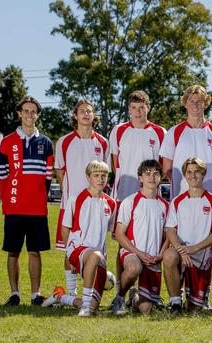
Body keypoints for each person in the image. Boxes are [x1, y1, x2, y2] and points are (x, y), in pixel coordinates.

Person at [108, 90, 166, 301]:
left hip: (150, 193)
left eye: (141, 108)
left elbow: (162, 164)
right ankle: (120, 294)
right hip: (125, 192)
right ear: (129, 110)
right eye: (133, 108)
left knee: (151, 240)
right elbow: (116, 161)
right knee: (121, 240)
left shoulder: (160, 132)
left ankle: (146, 292)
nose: (138, 112)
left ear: (148, 108)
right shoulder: (119, 130)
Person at [0, 96, 54, 306]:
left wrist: (39, 196)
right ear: (19, 114)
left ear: (37, 115)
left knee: (34, 251)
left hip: (37, 208)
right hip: (14, 207)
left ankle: (35, 294)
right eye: (26, 111)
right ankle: (14, 294)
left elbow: (48, 177)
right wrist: (8, 202)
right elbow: (3, 176)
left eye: (33, 111)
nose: (29, 114)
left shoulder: (46, 142)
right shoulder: (7, 142)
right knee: (13, 251)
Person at [41, 161, 116, 316]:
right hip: (78, 248)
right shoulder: (76, 198)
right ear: (88, 177)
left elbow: (108, 231)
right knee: (94, 256)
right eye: (96, 176)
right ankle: (86, 306)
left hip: (98, 256)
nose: (101, 179)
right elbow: (65, 228)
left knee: (96, 307)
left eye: (104, 176)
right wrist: (70, 255)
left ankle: (60, 297)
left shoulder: (111, 203)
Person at [54, 100, 109, 297]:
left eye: (89, 111)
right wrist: (70, 196)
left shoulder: (102, 143)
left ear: (94, 116)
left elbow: (105, 173)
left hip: (95, 206)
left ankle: (92, 291)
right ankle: (71, 292)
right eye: (82, 111)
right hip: (72, 206)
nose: (86, 114)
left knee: (95, 250)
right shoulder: (64, 141)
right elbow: (60, 171)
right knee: (69, 250)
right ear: (75, 116)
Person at [163, 158, 212, 314]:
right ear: (184, 175)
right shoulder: (177, 201)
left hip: (201, 253)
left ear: (203, 173)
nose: (193, 175)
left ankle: (201, 297)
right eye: (189, 172)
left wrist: (193, 248)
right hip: (181, 251)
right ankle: (175, 303)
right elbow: (170, 229)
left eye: (197, 171)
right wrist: (182, 250)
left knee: (195, 310)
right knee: (169, 255)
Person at [112, 160, 169, 315]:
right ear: (140, 178)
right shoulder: (130, 201)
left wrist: (160, 256)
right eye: (147, 173)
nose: (152, 177)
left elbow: (168, 236)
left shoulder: (165, 205)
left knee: (146, 310)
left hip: (153, 259)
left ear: (160, 178)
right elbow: (119, 233)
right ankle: (119, 298)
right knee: (133, 268)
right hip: (132, 253)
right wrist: (139, 253)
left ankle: (134, 298)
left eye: (156, 173)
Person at [161, 85, 212, 199]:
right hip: (181, 191)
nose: (195, 105)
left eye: (199, 101)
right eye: (191, 101)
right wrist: (181, 183)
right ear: (185, 104)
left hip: (210, 190)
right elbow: (167, 168)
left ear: (205, 103)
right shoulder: (174, 132)